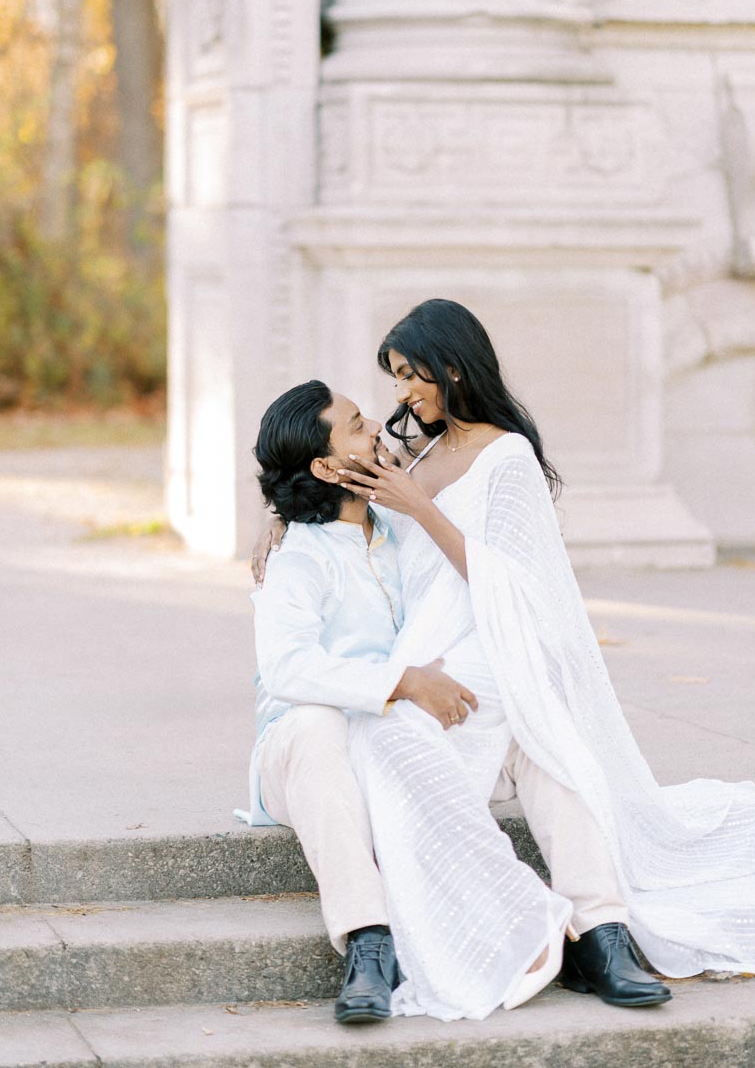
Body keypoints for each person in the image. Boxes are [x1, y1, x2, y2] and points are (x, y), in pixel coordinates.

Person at [254, 298, 755, 999]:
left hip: (482, 649)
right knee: (413, 730)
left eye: (411, 375)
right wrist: (282, 515)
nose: (397, 398)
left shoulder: (498, 458)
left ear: (453, 367)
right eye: (394, 380)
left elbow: (522, 584)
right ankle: (504, 922)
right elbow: (321, 502)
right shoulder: (407, 464)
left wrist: (418, 512)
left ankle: (603, 931)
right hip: (400, 685)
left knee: (546, 735)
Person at [240, 379, 574, 1024]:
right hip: (306, 755)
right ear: (329, 465)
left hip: (397, 739)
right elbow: (286, 668)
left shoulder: (400, 525)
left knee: (538, 711)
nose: (376, 430)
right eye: (358, 424)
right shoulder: (298, 559)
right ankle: (369, 943)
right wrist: (406, 681)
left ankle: (595, 923)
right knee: (315, 725)